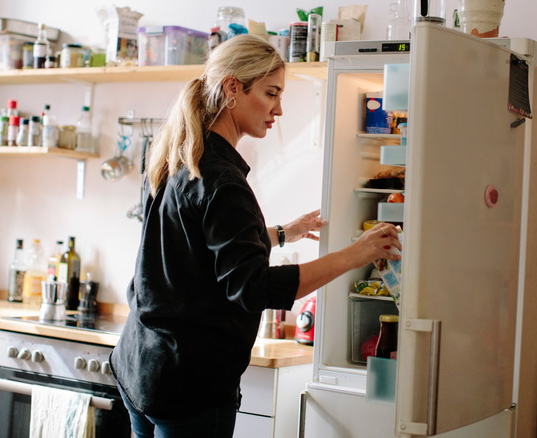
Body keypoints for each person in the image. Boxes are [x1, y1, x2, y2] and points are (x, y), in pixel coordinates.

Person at [110, 34, 401, 438]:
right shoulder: (223, 181)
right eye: (271, 93)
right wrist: (356, 254)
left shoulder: (178, 156)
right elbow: (254, 288)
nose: (278, 109)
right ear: (233, 88)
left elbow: (201, 246)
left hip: (142, 366)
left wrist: (285, 232)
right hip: (189, 384)